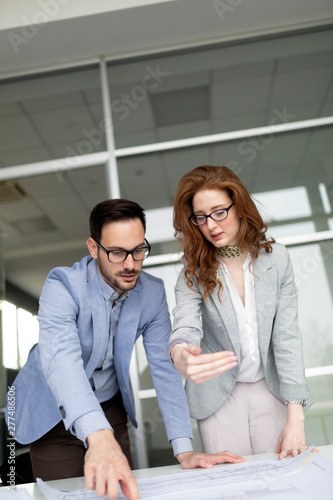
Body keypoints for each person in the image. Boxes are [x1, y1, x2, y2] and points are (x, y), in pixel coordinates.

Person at [6, 198, 244, 500]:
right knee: (67, 496)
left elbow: (164, 368)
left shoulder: (152, 292)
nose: (131, 264)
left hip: (109, 404)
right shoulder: (63, 285)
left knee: (118, 494)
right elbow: (61, 361)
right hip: (53, 410)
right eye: (117, 253)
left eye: (138, 250)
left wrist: (184, 450)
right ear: (94, 249)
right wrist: (98, 434)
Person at [168, 165, 313, 460]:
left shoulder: (277, 259)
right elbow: (185, 325)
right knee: (231, 485)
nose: (210, 225)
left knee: (281, 479)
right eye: (201, 217)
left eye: (219, 211)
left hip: (271, 389)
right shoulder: (192, 270)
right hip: (219, 397)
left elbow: (286, 336)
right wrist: (180, 353)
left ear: (239, 207)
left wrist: (295, 416)